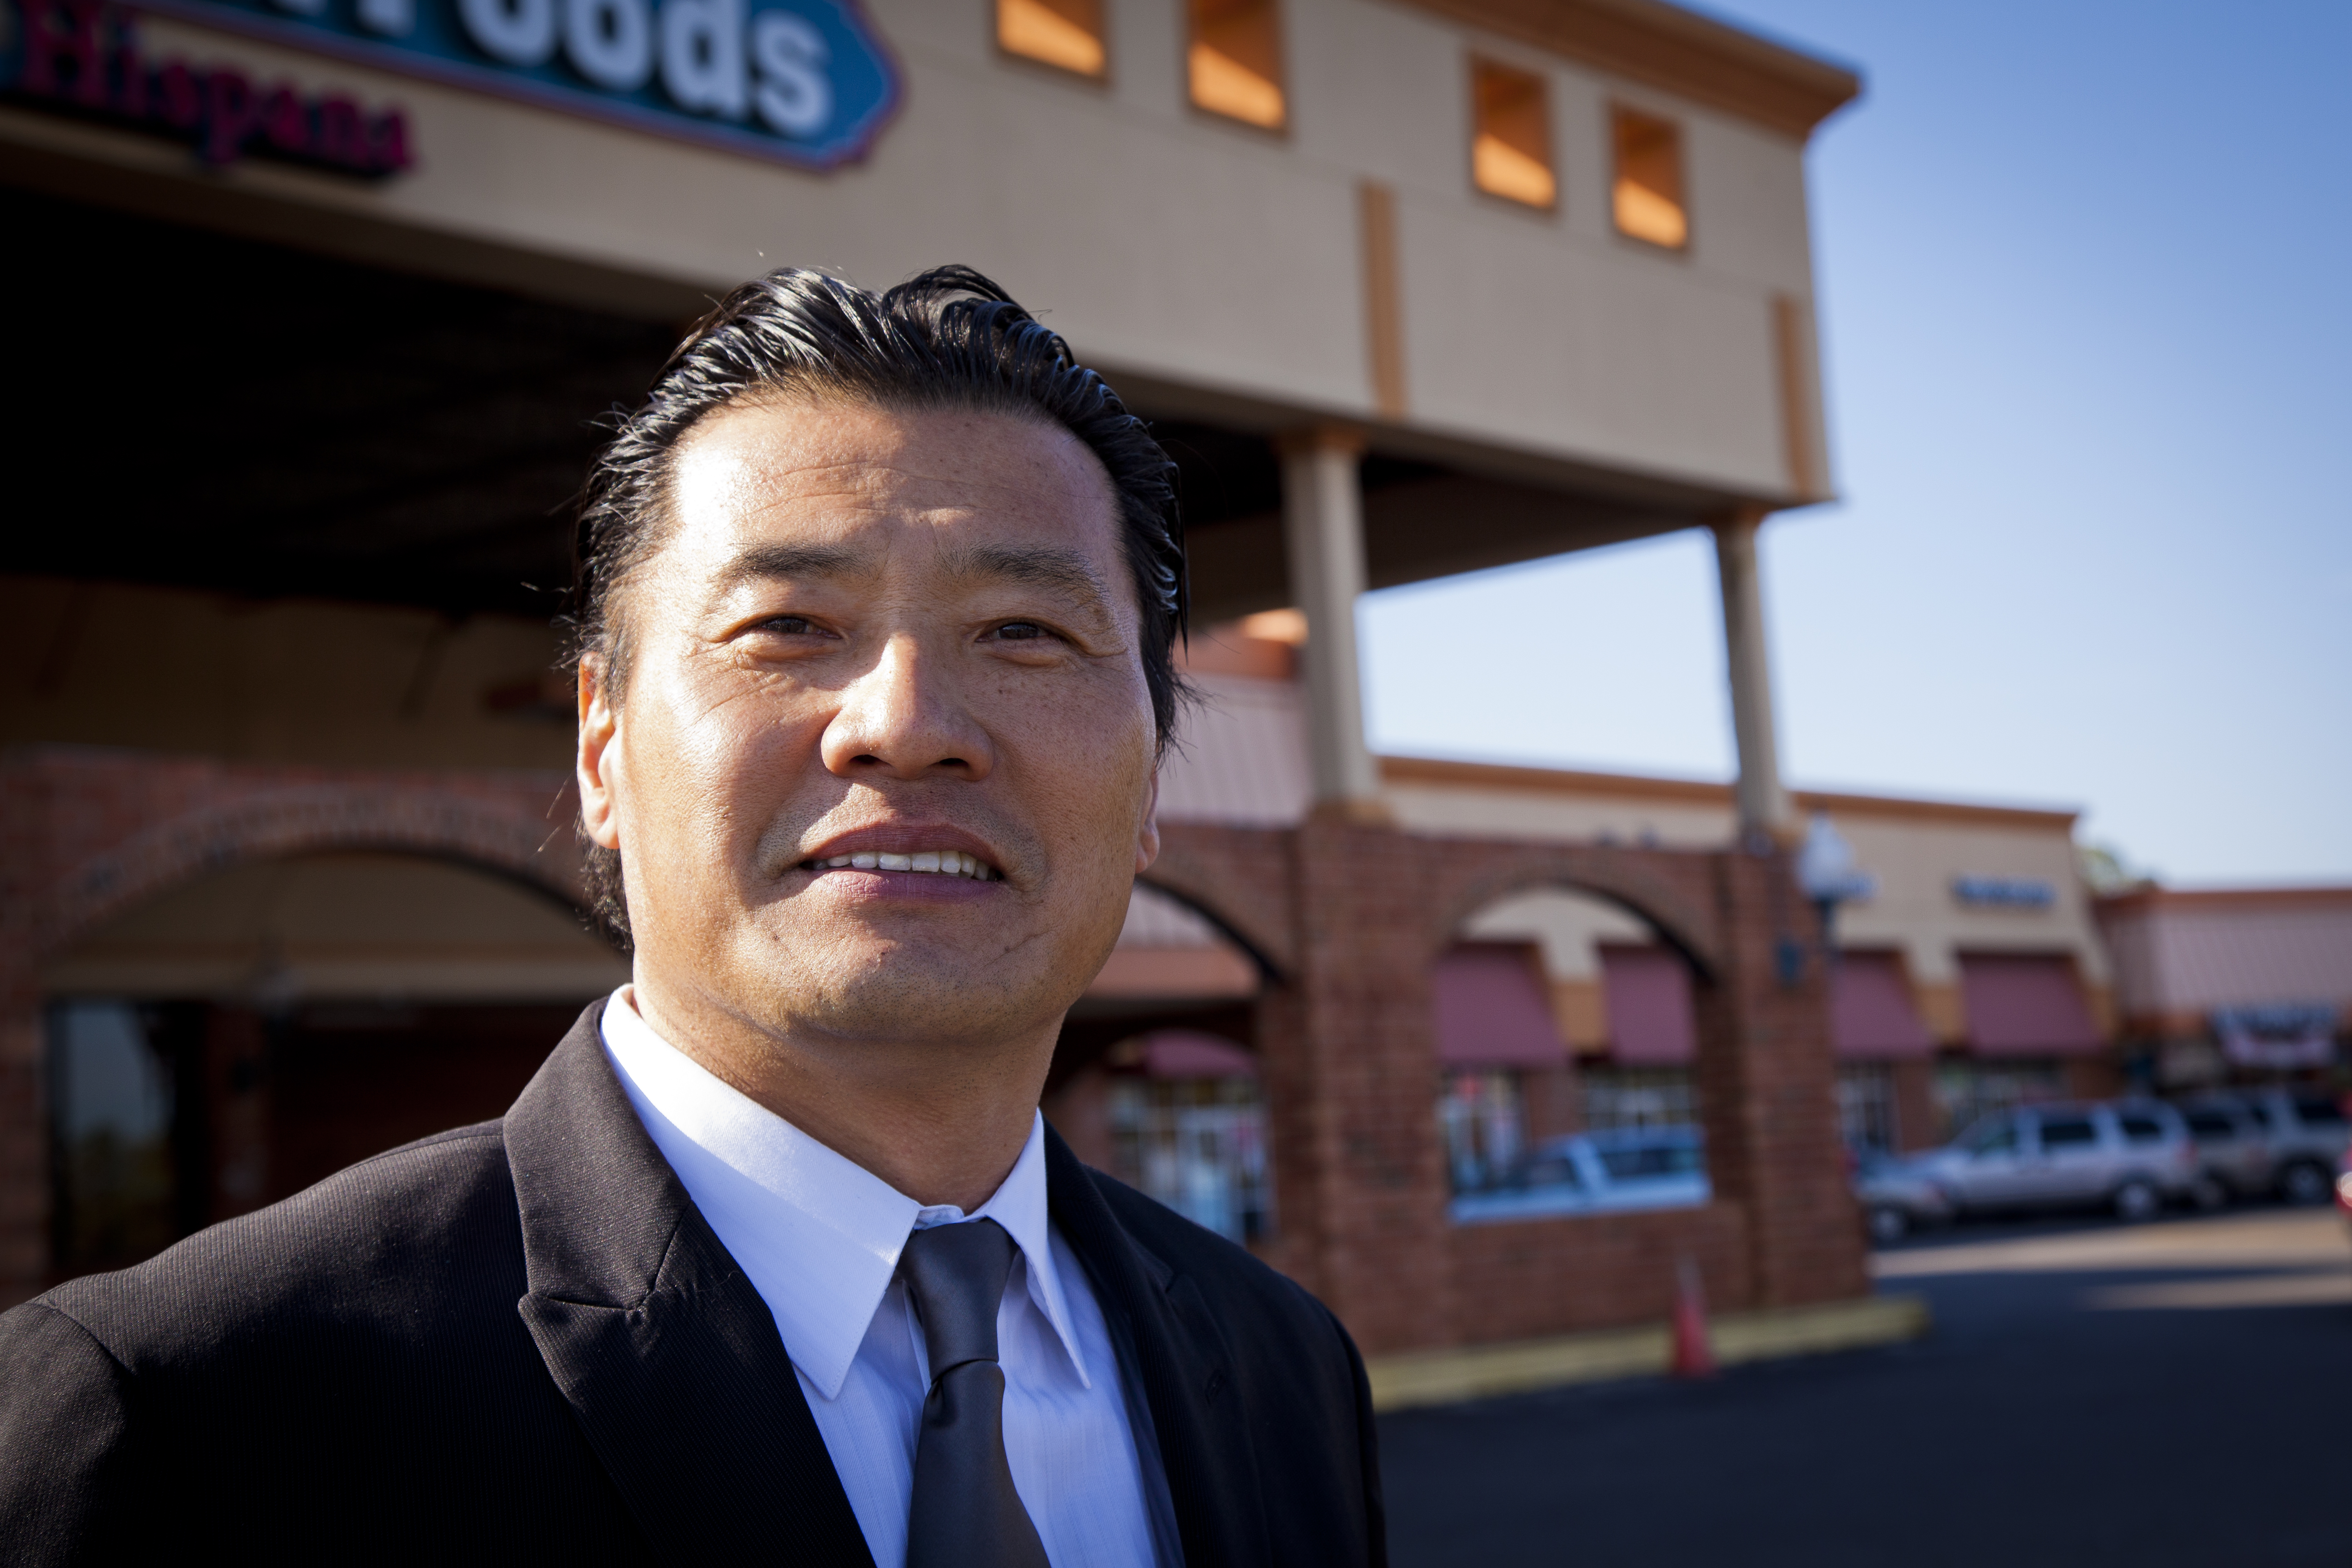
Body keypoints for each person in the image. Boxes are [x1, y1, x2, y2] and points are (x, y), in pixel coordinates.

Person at [0, 268, 1386, 1565]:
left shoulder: (1282, 1366)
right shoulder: (179, 1417)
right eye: (787, 624)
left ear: (1154, 774)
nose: (902, 725)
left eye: (1025, 631)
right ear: (601, 747)